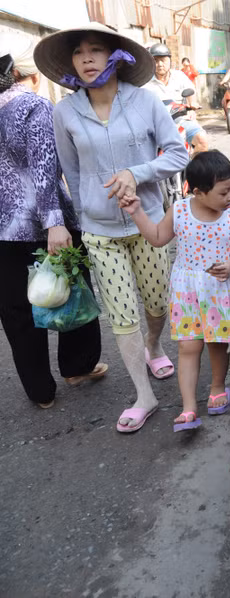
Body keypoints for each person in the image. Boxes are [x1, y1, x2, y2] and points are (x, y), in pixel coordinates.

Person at [35, 22, 190, 433]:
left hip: (150, 222)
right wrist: (74, 223)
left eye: (96, 49)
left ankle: (154, 345)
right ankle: (144, 395)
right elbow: (68, 170)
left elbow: (178, 154)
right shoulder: (64, 111)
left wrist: (136, 172)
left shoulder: (145, 102)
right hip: (100, 232)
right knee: (122, 316)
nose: (86, 58)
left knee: (156, 304)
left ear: (115, 56)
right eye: (78, 52)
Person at [0, 38, 107, 409]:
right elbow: (46, 168)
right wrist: (54, 223)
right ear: (30, 74)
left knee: (15, 309)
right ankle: (77, 367)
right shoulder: (34, 106)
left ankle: (40, 391)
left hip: (2, 232)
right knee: (71, 291)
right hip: (41, 222)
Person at [118, 150, 230, 431]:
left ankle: (216, 387)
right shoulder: (178, 211)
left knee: (217, 343)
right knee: (188, 347)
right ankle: (188, 406)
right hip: (186, 292)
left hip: (218, 290)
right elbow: (155, 238)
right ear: (199, 192)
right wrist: (137, 212)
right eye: (224, 192)